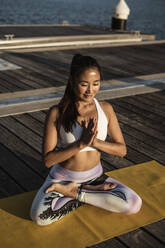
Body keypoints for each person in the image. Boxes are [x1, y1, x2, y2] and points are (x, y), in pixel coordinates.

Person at [30, 54, 142, 226]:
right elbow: (48, 160)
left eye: (96, 83)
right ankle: (91, 194)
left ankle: (77, 194)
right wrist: (80, 144)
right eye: (84, 84)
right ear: (72, 81)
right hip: (63, 179)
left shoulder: (106, 109)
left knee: (134, 203)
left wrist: (94, 142)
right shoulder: (57, 113)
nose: (90, 90)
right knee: (39, 217)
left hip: (95, 178)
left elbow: (122, 150)